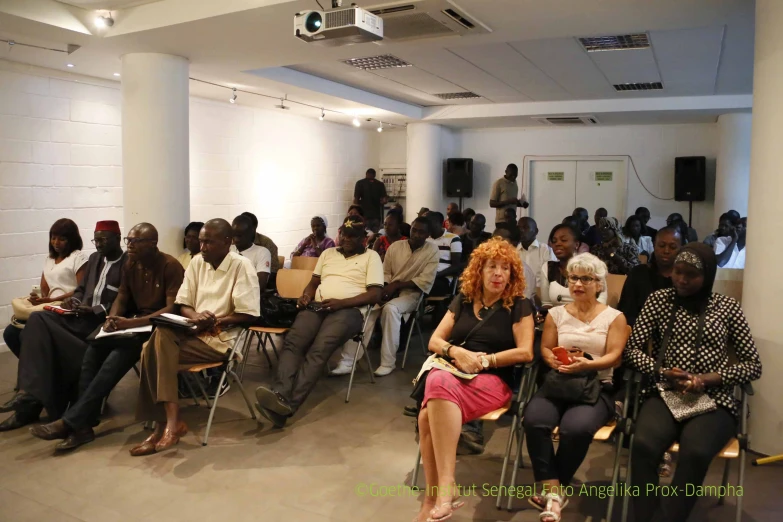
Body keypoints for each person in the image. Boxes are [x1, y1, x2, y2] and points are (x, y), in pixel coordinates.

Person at [623, 243, 762, 522]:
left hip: (714, 400)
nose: (682, 280)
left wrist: (710, 379)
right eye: (677, 272)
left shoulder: (727, 307)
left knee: (695, 452)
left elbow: (753, 365)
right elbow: (631, 350)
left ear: (707, 275)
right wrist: (662, 372)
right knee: (644, 446)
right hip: (665, 392)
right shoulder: (658, 300)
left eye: (691, 275)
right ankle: (646, 516)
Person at [29, 223, 184, 451]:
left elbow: (172, 309)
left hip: (158, 327)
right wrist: (112, 318)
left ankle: (71, 422)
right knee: (92, 352)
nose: (129, 245)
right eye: (128, 241)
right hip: (133, 323)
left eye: (135, 241)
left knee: (115, 359)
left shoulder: (170, 266)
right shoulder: (131, 264)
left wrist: (132, 322)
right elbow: (122, 296)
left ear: (152, 243)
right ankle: (83, 425)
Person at [415, 237, 535, 522]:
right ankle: (437, 495)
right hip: (456, 375)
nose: (498, 274)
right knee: (435, 392)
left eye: (505, 269)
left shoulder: (520, 305)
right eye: (492, 267)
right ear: (478, 271)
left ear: (512, 274)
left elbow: (526, 351)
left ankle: (440, 492)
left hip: (495, 381)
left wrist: (485, 360)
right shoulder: (464, 300)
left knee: (431, 401)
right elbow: (435, 340)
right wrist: (456, 351)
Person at [130, 218, 260, 456]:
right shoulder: (196, 263)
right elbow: (183, 304)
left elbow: (248, 315)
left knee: (151, 347)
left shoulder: (242, 266)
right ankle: (170, 423)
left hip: (220, 340)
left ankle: (164, 424)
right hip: (192, 333)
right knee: (157, 340)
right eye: (201, 242)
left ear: (227, 242)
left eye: (209, 242)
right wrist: (197, 316)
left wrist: (214, 320)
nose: (202, 248)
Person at [523, 253, 629, 522]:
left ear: (599, 284)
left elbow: (615, 357)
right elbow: (545, 349)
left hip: (598, 387)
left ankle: (553, 493)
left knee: (575, 428)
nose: (578, 284)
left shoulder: (614, 317)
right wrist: (555, 360)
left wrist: (586, 365)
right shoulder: (556, 314)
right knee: (534, 420)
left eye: (586, 279)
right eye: (573, 278)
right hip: (560, 382)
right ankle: (554, 491)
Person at [253, 216, 383, 428]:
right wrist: (306, 294)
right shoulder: (328, 253)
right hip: (320, 306)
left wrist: (341, 303)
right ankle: (279, 394)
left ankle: (289, 406)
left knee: (318, 349)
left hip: (349, 311)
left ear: (364, 239)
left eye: (353, 236)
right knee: (293, 342)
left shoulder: (372, 257)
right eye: (344, 234)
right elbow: (313, 283)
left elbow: (375, 294)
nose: (347, 239)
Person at [0, 221, 125, 432]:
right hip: (77, 316)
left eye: (103, 240)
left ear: (118, 238)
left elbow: (125, 301)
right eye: (96, 240)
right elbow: (81, 289)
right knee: (37, 320)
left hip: (99, 323)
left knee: (44, 340)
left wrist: (94, 310)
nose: (98, 245)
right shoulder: (95, 259)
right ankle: (27, 395)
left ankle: (29, 406)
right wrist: (74, 300)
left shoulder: (127, 264)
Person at [333, 217, 439, 376]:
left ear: (428, 234)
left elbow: (424, 280)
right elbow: (385, 272)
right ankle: (348, 361)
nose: (416, 234)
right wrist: (384, 289)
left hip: (412, 293)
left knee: (390, 309)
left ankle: (388, 363)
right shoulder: (396, 247)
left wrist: (396, 286)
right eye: (414, 230)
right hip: (387, 289)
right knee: (365, 309)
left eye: (421, 232)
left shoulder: (432, 250)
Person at [2, 218, 88, 358]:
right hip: (49, 307)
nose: (56, 242)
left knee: (27, 333)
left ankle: (42, 369)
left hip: (68, 309)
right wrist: (37, 298)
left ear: (72, 239)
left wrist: (53, 299)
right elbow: (44, 290)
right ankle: (34, 367)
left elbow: (82, 289)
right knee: (10, 333)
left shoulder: (78, 258)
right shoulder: (49, 259)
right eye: (53, 238)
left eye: (62, 239)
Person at [617, 226, 683, 327]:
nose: (666, 251)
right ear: (654, 245)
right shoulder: (638, 273)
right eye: (661, 245)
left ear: (680, 249)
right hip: (640, 331)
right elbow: (626, 312)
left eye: (672, 247)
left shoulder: (684, 278)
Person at [542, 224, 607, 307]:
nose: (557, 244)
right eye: (554, 241)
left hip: (589, 317)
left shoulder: (592, 266)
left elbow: (601, 302)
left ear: (576, 244)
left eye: (563, 240)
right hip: (557, 318)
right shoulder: (548, 267)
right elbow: (546, 304)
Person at [427, 211, 463, 296]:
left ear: (439, 223)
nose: (427, 226)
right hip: (426, 276)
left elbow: (456, 266)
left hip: (442, 278)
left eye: (429, 223)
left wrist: (437, 274)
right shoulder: (426, 239)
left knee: (426, 287)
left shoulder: (453, 238)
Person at [232, 214, 272, 289]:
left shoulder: (262, 252)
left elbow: (260, 285)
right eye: (234, 235)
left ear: (250, 234)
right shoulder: (228, 250)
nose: (236, 239)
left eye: (240, 236)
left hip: (250, 296)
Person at [517, 217, 556, 293]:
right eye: (519, 228)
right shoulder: (514, 251)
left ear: (536, 231)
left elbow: (552, 277)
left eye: (525, 227)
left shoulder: (546, 250)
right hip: (518, 296)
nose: (521, 230)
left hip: (541, 295)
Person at [490, 163, 528, 228]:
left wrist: (522, 204)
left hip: (512, 220)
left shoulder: (514, 183)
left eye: (515, 175)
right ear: (506, 172)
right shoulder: (499, 183)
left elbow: (513, 202)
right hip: (502, 221)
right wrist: (508, 201)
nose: (513, 177)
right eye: (511, 175)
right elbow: (492, 203)